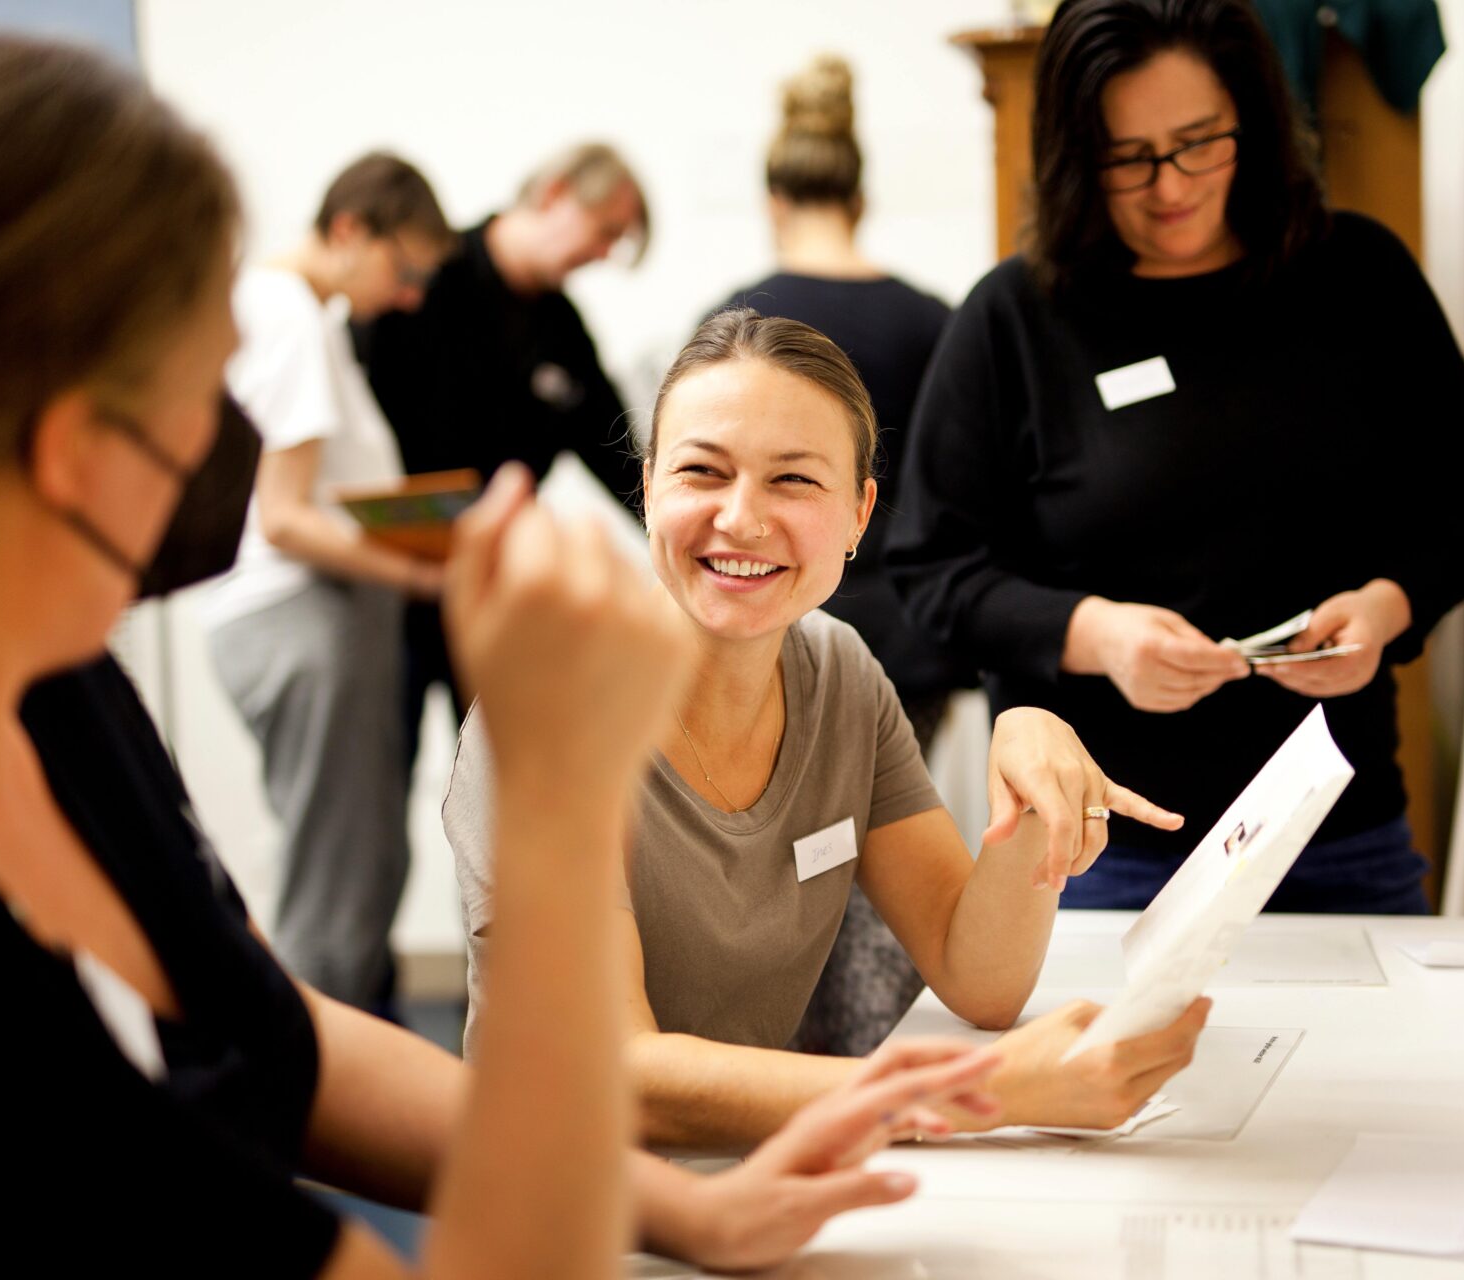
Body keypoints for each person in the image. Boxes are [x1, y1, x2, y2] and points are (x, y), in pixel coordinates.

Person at [0, 36, 1011, 1276]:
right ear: (77, 448)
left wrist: (683, 1210)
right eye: (205, 389)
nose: (226, 441)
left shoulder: (62, 695)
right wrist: (560, 805)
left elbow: (284, 1041)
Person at [449, 309, 1212, 1149]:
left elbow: (977, 977)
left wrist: (1032, 754)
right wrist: (981, 1090)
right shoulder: (547, 711)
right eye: (702, 471)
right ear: (650, 485)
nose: (741, 519)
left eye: (794, 480)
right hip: (562, 1225)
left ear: (859, 514)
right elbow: (617, 1076)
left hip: (759, 1195)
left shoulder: (838, 675)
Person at [886, 0, 1464, 913]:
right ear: (1074, 152)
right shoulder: (1016, 317)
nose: (1171, 186)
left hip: (1337, 834)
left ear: (1252, 124)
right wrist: (1097, 636)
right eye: (1129, 156)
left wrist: (1386, 609)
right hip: (1097, 845)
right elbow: (932, 569)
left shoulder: (1360, 276)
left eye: (1198, 143)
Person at [714, 54, 975, 1057]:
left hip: (775, 638)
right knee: (881, 878)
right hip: (908, 638)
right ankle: (870, 1077)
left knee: (786, 877)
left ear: (772, 195)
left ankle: (817, 1082)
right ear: (861, 192)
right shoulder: (933, 319)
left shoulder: (743, 319)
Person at [195, 153, 460, 1011]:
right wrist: (424, 577)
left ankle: (349, 1100)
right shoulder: (288, 317)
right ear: (350, 230)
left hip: (314, 621)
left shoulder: (302, 316)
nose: (413, 295)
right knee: (337, 891)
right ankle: (323, 1122)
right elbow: (285, 518)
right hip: (304, 619)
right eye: (406, 269)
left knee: (360, 868)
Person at [356, 142, 652, 768]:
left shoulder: (562, 329)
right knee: (373, 799)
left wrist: (689, 532)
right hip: (390, 593)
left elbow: (620, 458)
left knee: (507, 787)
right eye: (604, 233)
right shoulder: (423, 280)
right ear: (554, 195)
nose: (603, 255)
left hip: (491, 595)